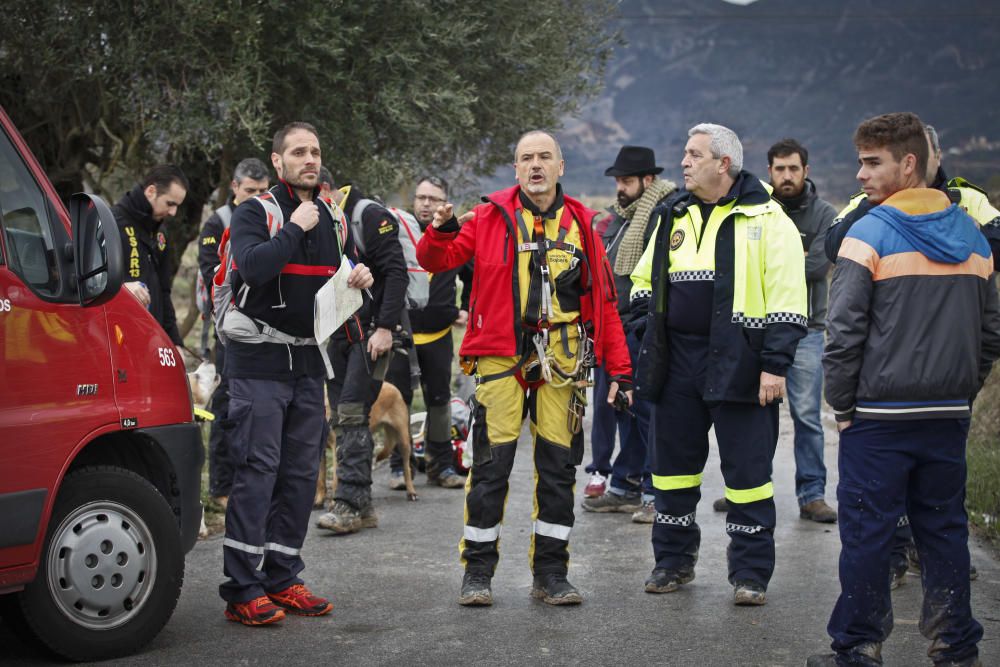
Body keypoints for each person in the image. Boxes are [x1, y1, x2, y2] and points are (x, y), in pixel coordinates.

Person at [807, 111, 1000, 667]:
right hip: (946, 416)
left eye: (873, 163)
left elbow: (841, 335)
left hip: (876, 417)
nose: (862, 176)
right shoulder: (972, 236)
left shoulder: (866, 233)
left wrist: (842, 406)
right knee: (943, 531)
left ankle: (858, 645)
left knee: (868, 533)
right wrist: (963, 391)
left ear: (908, 164)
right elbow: (990, 335)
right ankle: (955, 645)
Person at [416, 130, 633, 607]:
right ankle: (477, 573)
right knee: (491, 469)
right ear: (515, 170)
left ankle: (552, 574)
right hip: (499, 358)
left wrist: (620, 370)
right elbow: (435, 259)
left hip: (564, 360)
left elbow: (605, 304)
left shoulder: (582, 224)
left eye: (544, 157)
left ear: (561, 167)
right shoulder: (488, 217)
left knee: (558, 469)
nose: (535, 165)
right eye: (526, 159)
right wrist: (441, 228)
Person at [630, 123, 807, 606]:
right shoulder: (672, 216)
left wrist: (774, 366)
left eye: (693, 154)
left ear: (723, 163)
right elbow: (643, 284)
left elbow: (790, 302)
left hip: (742, 364)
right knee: (670, 472)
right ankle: (672, 562)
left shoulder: (769, 219)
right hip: (677, 363)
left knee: (748, 475)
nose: (683, 162)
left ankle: (750, 574)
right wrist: (648, 337)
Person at [218, 121, 373, 626]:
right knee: (257, 471)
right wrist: (294, 227)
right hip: (257, 363)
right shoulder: (253, 211)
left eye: (315, 151)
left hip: (307, 361)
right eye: (298, 152)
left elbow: (333, 284)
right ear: (278, 160)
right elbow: (253, 268)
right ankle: (242, 587)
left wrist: (357, 276)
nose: (309, 159)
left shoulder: (332, 218)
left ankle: (282, 576)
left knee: (302, 475)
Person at [713, 139, 837, 523]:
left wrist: (769, 261)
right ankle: (748, 488)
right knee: (751, 414)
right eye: (779, 169)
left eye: (793, 169)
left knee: (806, 416)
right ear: (769, 171)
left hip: (806, 331)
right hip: (753, 329)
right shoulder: (753, 209)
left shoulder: (824, 215)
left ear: (806, 171)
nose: (786, 176)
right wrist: (782, 260)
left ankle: (812, 494)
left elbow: (814, 267)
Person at [581, 145, 676, 523]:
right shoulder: (623, 218)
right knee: (624, 409)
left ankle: (655, 492)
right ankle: (624, 486)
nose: (619, 188)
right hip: (616, 326)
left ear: (647, 180)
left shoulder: (662, 212)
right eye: (618, 181)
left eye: (626, 181)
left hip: (646, 326)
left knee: (649, 411)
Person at [314, 173, 409, 534]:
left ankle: (349, 503)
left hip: (370, 336)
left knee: (352, 413)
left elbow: (396, 272)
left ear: (324, 190)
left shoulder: (368, 215)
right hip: (337, 336)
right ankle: (364, 504)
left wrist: (385, 327)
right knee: (341, 416)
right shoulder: (322, 219)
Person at [385, 175, 473, 490]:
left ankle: (441, 466)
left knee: (439, 402)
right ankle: (399, 467)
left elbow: (472, 274)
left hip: (438, 335)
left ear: (444, 203)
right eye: (421, 197)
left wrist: (465, 309)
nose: (425, 204)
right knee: (398, 402)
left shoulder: (455, 235)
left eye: (433, 199)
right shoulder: (398, 233)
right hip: (401, 334)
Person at [197, 157, 270, 509]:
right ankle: (221, 488)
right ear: (235, 189)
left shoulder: (273, 216)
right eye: (250, 191)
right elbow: (213, 273)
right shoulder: (217, 223)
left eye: (262, 190)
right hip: (230, 331)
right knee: (227, 406)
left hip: (269, 331)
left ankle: (254, 483)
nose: (257, 196)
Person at [113, 164, 188, 345]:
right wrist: (121, 288)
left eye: (177, 206)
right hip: (117, 339)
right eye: (170, 204)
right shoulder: (112, 221)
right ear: (151, 191)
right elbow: (89, 281)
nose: (173, 212)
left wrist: (176, 344)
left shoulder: (160, 233)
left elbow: (164, 292)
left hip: (151, 340)